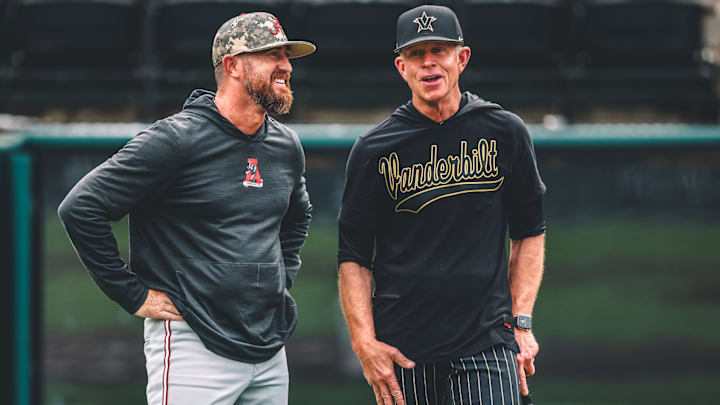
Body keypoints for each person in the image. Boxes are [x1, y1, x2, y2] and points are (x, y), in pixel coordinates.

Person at [58, 12, 314, 405]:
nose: (285, 66)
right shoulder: (175, 139)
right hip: (193, 343)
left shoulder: (285, 145)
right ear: (232, 66)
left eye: (286, 55)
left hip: (268, 346)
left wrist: (282, 277)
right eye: (271, 55)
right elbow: (81, 207)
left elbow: (298, 217)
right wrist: (133, 295)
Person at [337, 5, 546, 405]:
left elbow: (530, 232)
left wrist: (521, 324)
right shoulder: (374, 149)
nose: (428, 63)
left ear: (461, 58)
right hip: (404, 349)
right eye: (416, 53)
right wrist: (364, 343)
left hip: (486, 340)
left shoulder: (504, 131)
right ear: (402, 67)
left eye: (439, 50)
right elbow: (353, 257)